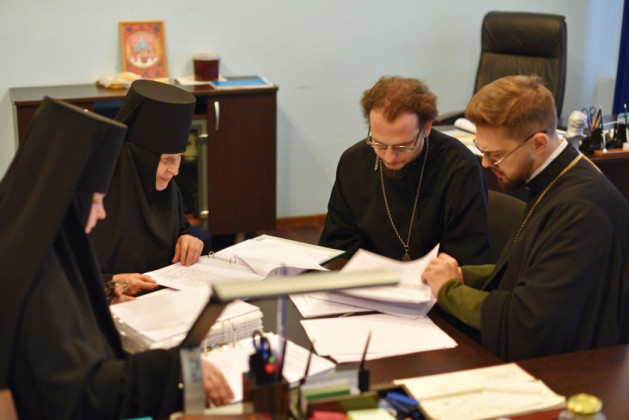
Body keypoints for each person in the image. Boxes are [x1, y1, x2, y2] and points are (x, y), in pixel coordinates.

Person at [0, 97, 233, 419]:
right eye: (96, 201)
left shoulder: (42, 246)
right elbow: (82, 397)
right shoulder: (40, 283)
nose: (102, 212)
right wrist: (173, 366)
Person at [422, 75, 629, 361]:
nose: (485, 164)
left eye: (495, 155)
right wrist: (462, 275)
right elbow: (531, 269)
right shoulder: (556, 178)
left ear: (538, 143)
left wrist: (449, 290)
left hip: (571, 370)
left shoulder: (582, 211)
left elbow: (526, 321)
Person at [319, 76, 490, 264]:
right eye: (379, 144)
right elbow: (338, 243)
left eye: (402, 146)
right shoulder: (353, 162)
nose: (389, 157)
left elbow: (465, 256)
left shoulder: (459, 168)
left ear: (426, 128)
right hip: (366, 276)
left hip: (434, 279)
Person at [89, 80, 205, 302]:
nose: (175, 171)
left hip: (163, 299)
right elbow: (64, 276)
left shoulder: (166, 188)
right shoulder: (93, 196)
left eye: (179, 158)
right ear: (140, 158)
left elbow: (181, 229)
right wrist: (111, 283)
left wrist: (188, 239)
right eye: (167, 160)